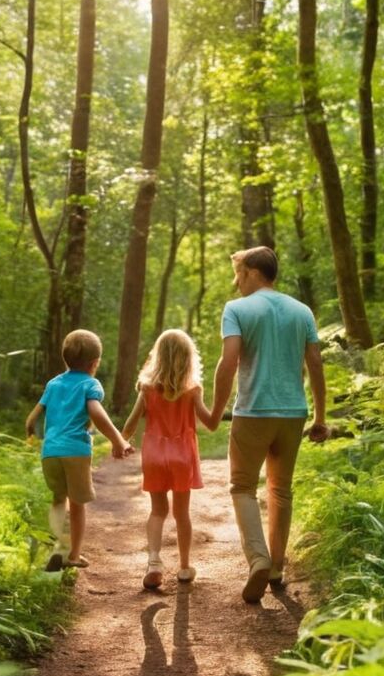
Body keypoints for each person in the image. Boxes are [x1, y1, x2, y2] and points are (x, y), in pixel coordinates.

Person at [209, 246, 328, 603]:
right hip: (294, 413)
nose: (236, 281)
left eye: (238, 274)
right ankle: (276, 566)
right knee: (281, 489)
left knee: (242, 487)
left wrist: (216, 410)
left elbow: (228, 363)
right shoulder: (301, 310)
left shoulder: (238, 310)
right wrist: (321, 417)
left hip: (253, 413)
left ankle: (258, 558)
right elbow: (316, 364)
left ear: (250, 271)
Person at [25, 328, 132, 572]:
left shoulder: (53, 384)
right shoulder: (89, 384)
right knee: (78, 503)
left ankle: (58, 548)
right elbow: (96, 412)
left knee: (58, 499)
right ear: (95, 363)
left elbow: (32, 419)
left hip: (50, 452)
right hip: (75, 450)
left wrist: (31, 437)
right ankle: (72, 554)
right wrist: (118, 440)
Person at [122, 329, 215, 590]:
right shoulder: (192, 390)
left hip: (153, 454)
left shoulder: (147, 388)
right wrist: (218, 410)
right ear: (188, 359)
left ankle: (154, 562)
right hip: (182, 455)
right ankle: (184, 567)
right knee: (181, 512)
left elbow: (130, 424)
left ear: (157, 357)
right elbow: (209, 423)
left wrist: (121, 443)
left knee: (157, 511)